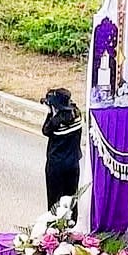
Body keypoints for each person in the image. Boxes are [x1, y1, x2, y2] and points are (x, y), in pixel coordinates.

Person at [41, 88, 82, 217]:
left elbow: (45, 130)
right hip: (73, 164)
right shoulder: (77, 114)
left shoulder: (56, 122)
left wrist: (50, 113)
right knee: (71, 199)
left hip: (56, 166)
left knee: (55, 202)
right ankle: (72, 224)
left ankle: (56, 230)